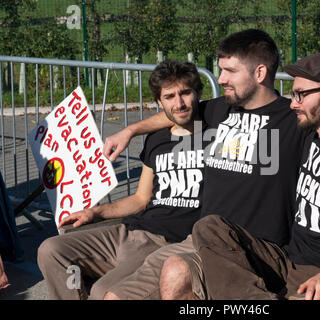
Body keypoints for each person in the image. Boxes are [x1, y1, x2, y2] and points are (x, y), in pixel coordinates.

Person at [102, 29, 320, 301]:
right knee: (126, 287)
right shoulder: (220, 111)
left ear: (259, 73)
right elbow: (177, 114)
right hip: (225, 243)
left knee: (177, 270)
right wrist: (130, 131)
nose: (221, 78)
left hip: (271, 253)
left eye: (229, 71)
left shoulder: (301, 125)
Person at [189, 52, 320, 300]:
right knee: (209, 226)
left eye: (301, 94)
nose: (292, 103)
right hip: (286, 261)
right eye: (293, 94)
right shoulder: (309, 136)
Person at [37, 60, 206, 300]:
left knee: (101, 292)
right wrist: (94, 213)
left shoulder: (214, 129)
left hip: (166, 242)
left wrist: (131, 130)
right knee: (51, 250)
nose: (178, 103)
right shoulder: (157, 139)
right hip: (130, 230)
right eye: (169, 96)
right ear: (159, 102)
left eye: (185, 93)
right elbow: (140, 198)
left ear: (198, 93)